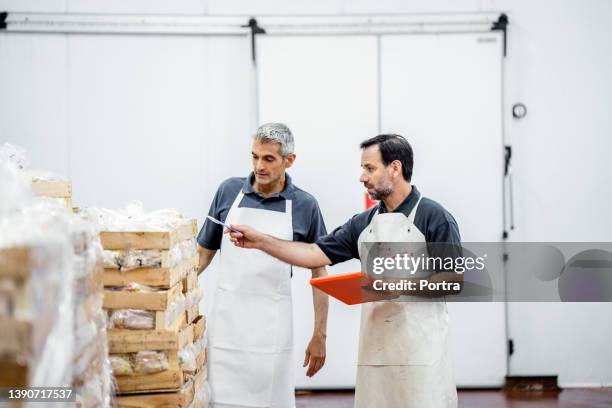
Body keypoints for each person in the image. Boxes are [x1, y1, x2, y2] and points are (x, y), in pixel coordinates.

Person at [228, 134, 462, 407]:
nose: (362, 177)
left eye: (369, 168)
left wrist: (398, 286)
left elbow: (454, 281)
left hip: (423, 357)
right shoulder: (364, 223)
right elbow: (314, 253)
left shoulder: (434, 217)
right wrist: (261, 241)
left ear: (395, 168)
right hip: (376, 356)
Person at [197, 123, 329, 408]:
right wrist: (170, 295)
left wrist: (320, 334)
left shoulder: (305, 205)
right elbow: (203, 255)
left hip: (271, 332)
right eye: (255, 156)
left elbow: (319, 272)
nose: (259, 166)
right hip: (226, 330)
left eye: (268, 158)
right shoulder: (228, 192)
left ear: (289, 160)